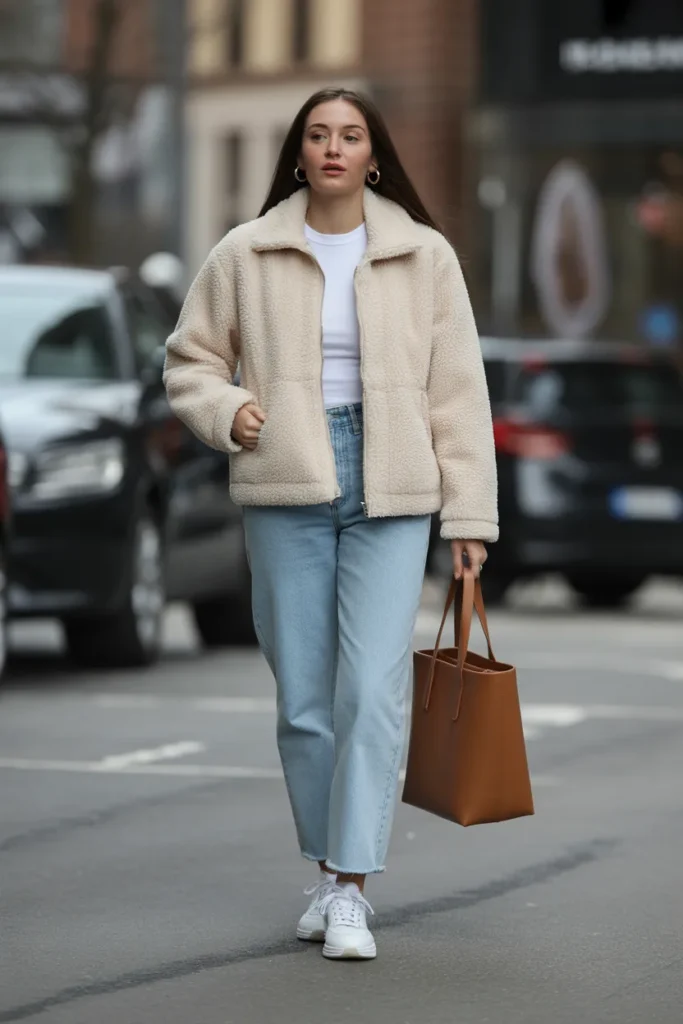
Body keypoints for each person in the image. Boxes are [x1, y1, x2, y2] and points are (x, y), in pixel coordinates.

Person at [163, 88, 498, 961]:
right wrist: (228, 409)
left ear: (374, 154)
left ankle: (351, 887)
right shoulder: (247, 250)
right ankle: (324, 869)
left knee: (373, 690)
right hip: (286, 477)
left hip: (394, 485)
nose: (334, 148)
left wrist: (469, 515)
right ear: (300, 152)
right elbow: (189, 358)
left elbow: (458, 393)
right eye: (318, 135)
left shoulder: (424, 256)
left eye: (350, 135)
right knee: (304, 698)